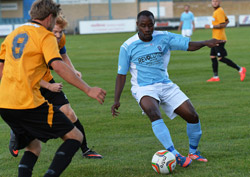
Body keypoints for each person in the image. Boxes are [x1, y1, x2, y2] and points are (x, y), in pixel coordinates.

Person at [0, 0, 106, 177]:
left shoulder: (12, 35)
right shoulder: (45, 35)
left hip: (5, 103)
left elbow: (1, 67)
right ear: (50, 18)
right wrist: (88, 89)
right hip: (27, 102)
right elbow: (57, 64)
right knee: (75, 137)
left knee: (33, 147)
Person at [111, 10, 225, 168]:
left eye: (150, 25)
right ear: (137, 25)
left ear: (154, 24)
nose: (147, 29)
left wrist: (205, 42)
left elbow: (188, 45)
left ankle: (193, 152)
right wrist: (116, 100)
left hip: (165, 84)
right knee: (153, 112)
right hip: (143, 88)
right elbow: (121, 75)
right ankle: (176, 155)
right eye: (143, 25)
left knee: (192, 116)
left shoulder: (164, 37)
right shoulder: (127, 46)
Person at [206, 0, 246, 82]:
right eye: (213, 1)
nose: (214, 3)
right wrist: (223, 25)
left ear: (219, 2)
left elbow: (221, 25)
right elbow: (227, 21)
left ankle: (240, 69)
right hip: (215, 38)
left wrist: (211, 26)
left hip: (219, 39)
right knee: (212, 56)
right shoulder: (218, 11)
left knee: (220, 58)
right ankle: (216, 77)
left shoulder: (219, 11)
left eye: (216, 1)